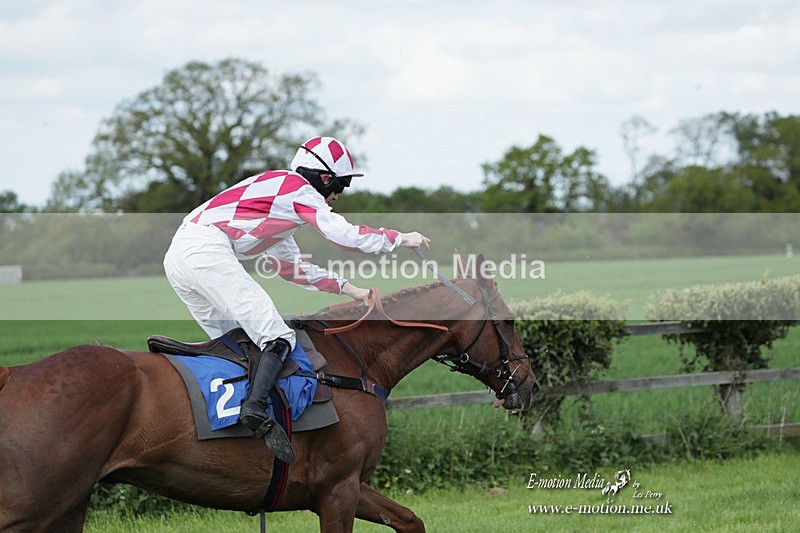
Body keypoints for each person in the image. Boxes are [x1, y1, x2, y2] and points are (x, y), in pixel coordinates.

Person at [163, 136, 430, 463]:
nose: (337, 195)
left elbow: (294, 270)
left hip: (180, 257)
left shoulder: (278, 204)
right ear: (325, 178)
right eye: (341, 185)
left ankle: (224, 424)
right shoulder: (298, 190)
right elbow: (344, 235)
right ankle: (255, 412)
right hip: (205, 251)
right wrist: (400, 238)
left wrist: (350, 289)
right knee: (277, 336)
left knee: (237, 343)